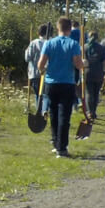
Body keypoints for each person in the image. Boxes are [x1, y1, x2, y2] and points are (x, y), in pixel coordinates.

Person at [37, 16, 83, 158]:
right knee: (64, 116)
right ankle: (62, 148)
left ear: (58, 28)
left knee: (53, 114)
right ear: (70, 28)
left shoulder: (49, 43)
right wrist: (83, 64)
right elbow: (77, 64)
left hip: (51, 83)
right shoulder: (74, 44)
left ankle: (55, 143)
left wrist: (44, 71)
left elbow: (40, 64)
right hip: (67, 83)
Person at [82, 31, 105, 121]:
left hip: (88, 72)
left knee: (89, 92)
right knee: (96, 93)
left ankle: (90, 112)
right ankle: (94, 111)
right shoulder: (101, 48)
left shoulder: (84, 47)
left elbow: (81, 61)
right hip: (98, 73)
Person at [24, 23, 49, 96]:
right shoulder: (52, 43)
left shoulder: (34, 43)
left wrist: (26, 50)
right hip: (48, 74)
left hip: (35, 73)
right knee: (46, 97)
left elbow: (27, 58)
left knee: (38, 96)